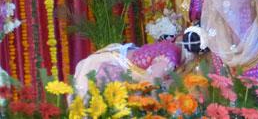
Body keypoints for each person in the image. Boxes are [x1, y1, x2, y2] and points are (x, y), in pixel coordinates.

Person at [73, 27, 207, 96]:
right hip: (111, 68)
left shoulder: (172, 48)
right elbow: (151, 81)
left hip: (115, 60)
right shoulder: (170, 57)